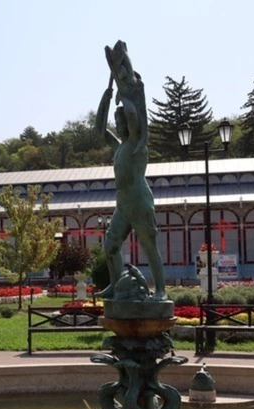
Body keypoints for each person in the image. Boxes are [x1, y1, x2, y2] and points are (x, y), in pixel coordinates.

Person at [95, 40, 165, 301]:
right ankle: (116, 283)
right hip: (123, 203)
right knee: (111, 245)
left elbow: (135, 114)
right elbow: (99, 131)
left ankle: (160, 291)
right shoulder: (119, 147)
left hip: (139, 201)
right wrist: (105, 100)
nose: (119, 124)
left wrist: (123, 88)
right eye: (117, 121)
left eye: (120, 120)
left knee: (149, 245)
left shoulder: (137, 143)